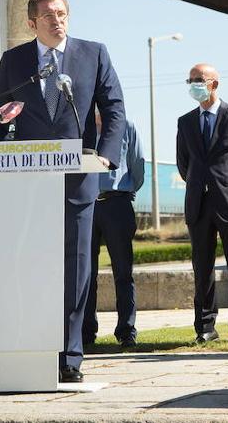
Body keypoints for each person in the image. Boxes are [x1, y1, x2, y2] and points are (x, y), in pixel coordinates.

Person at [0, 0, 125, 383]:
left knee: (76, 268)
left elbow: (113, 106)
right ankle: (35, 349)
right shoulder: (14, 61)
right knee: (33, 266)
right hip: (27, 184)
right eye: (48, 16)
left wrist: (106, 155)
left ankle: (71, 354)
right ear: (31, 23)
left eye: (62, 14)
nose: (57, 21)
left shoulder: (93, 53)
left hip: (78, 178)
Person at [175, 64, 228, 345]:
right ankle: (205, 326)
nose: (194, 84)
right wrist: (202, 185)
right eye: (191, 80)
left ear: (214, 84)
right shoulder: (185, 122)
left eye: (199, 80)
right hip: (199, 203)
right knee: (202, 268)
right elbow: (184, 164)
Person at [83, 112, 145, 348]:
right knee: (85, 274)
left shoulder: (125, 126)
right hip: (86, 205)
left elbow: (137, 163)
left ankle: (126, 330)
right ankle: (86, 331)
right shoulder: (82, 127)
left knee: (123, 271)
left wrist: (126, 193)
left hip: (116, 202)